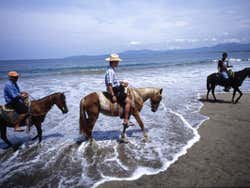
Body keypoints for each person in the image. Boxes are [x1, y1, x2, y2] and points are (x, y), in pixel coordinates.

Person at [104, 53, 134, 127]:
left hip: (115, 88)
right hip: (114, 90)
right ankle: (126, 120)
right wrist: (113, 95)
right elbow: (110, 84)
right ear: (113, 62)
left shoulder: (111, 69)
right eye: (117, 61)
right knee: (128, 101)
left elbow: (114, 82)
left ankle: (124, 114)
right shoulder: (110, 71)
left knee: (129, 93)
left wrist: (122, 83)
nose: (118, 63)